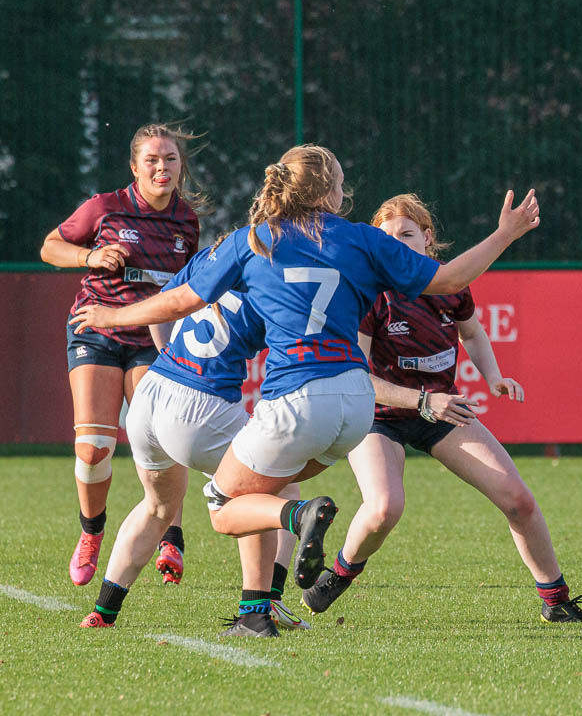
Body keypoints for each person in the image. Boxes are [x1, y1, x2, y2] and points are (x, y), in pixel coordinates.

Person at [71, 144, 539, 636]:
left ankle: (297, 519)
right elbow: (449, 279)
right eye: (340, 179)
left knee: (226, 508)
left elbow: (176, 303)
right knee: (271, 483)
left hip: (294, 401)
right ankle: (258, 611)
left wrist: (111, 315)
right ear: (327, 190)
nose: (345, 187)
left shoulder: (253, 241)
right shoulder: (362, 239)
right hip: (357, 407)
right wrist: (504, 234)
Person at [298, 194, 582, 623]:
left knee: (518, 500)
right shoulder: (371, 296)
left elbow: (472, 334)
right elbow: (358, 379)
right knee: (383, 508)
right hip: (379, 416)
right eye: (387, 237)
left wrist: (493, 377)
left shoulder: (449, 287)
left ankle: (557, 601)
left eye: (406, 234)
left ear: (428, 238)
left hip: (441, 411)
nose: (397, 243)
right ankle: (340, 573)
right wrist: (422, 400)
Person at [77, 240, 309, 630]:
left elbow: (163, 306)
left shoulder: (220, 251)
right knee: (270, 490)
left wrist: (172, 358)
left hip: (153, 390)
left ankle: (103, 611)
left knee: (157, 506)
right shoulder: (286, 274)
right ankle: (261, 608)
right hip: (202, 406)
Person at [40, 123, 202, 587]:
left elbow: (185, 287)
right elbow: (52, 246)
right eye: (152, 159)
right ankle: (91, 533)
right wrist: (88, 257)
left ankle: (172, 535)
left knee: (164, 438)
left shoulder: (186, 221)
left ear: (179, 167)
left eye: (170, 159)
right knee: (93, 448)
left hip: (152, 338)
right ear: (135, 167)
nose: (161, 167)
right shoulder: (105, 206)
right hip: (96, 328)